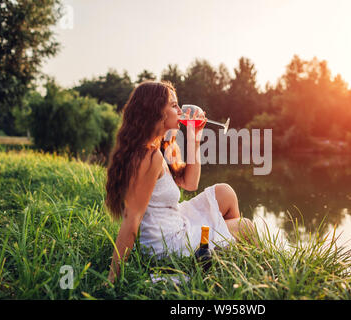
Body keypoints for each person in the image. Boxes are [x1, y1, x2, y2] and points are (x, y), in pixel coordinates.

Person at [105, 81, 255, 283]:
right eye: (174, 105)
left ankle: (223, 247)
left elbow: (190, 184)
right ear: (156, 111)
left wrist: (194, 136)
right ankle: (227, 257)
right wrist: (112, 278)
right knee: (247, 227)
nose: (180, 110)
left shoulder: (158, 148)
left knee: (225, 192)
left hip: (176, 220)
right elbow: (131, 219)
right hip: (168, 243)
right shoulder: (149, 157)